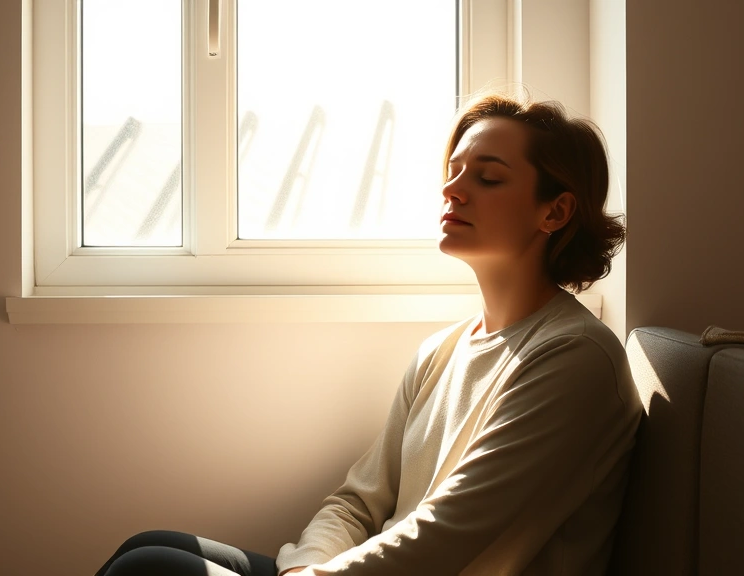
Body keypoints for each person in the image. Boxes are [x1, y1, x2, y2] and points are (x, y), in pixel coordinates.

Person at [95, 93, 641, 576]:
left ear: (556, 211)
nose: (453, 189)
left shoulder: (575, 357)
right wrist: (306, 567)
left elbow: (449, 531)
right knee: (149, 544)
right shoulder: (442, 351)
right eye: (453, 171)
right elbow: (357, 501)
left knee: (151, 568)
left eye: (488, 177)